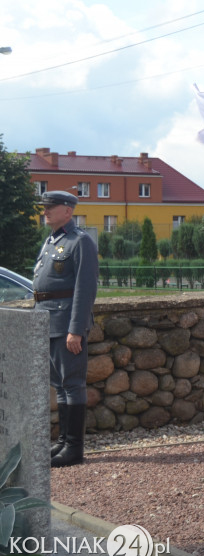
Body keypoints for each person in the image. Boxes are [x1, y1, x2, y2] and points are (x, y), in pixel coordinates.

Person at [33, 190, 98, 468]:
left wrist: (76, 329)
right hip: (47, 321)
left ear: (68, 210)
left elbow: (85, 290)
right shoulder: (51, 242)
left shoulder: (80, 241)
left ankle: (74, 448)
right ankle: (63, 441)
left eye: (51, 207)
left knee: (72, 383)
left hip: (66, 323)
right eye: (44, 207)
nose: (45, 211)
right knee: (59, 384)